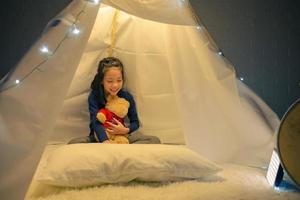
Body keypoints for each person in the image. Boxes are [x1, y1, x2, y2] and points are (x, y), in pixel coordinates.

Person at [68, 57, 160, 144]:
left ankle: (123, 146)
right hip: (99, 137)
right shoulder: (94, 96)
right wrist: (105, 141)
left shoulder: (126, 97)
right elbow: (96, 122)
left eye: (119, 80)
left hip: (122, 136)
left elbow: (135, 122)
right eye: (110, 81)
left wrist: (125, 130)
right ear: (102, 81)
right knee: (73, 143)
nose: (115, 85)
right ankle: (112, 147)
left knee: (154, 140)